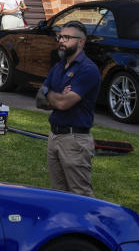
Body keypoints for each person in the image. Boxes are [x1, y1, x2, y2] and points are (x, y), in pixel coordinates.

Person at [35, 21, 101, 197]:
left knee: (80, 195)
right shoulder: (58, 67)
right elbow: (40, 100)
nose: (61, 41)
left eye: (67, 37)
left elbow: (63, 104)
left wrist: (50, 93)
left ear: (81, 42)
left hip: (75, 140)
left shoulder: (88, 70)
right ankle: (66, 225)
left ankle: (87, 225)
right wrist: (54, 94)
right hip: (54, 136)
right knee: (59, 194)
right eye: (60, 37)